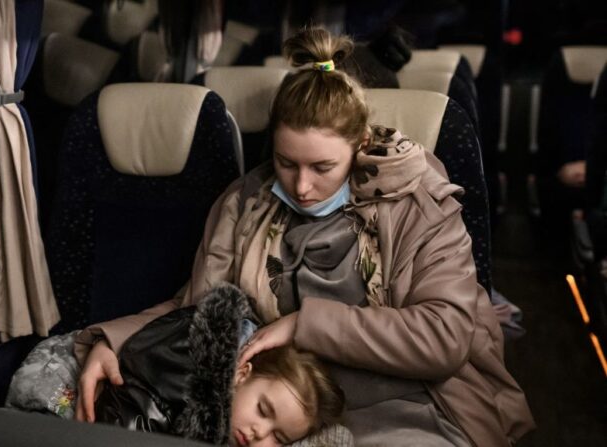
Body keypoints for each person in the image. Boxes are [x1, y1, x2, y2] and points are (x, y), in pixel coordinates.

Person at [74, 28, 535, 446]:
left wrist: (302, 325)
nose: (300, 186)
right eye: (286, 163)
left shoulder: (419, 203)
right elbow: (198, 307)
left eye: (322, 168)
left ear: (358, 149)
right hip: (283, 415)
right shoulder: (246, 203)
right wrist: (113, 342)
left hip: (415, 405)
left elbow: (445, 336)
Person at [7, 284, 350, 447]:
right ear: (242, 374)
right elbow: (135, 412)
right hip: (88, 391)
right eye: (263, 409)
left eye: (279, 438)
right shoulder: (191, 364)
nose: (261, 433)